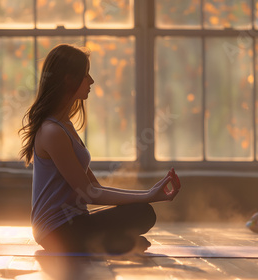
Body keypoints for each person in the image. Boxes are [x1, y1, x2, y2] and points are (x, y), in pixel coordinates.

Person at [19, 44, 181, 254]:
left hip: (76, 222)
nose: (91, 81)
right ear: (69, 78)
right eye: (85, 75)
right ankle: (111, 243)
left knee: (143, 212)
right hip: (55, 232)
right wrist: (148, 195)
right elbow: (89, 194)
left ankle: (111, 242)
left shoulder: (65, 126)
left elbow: (94, 186)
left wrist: (147, 194)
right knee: (143, 213)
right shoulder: (52, 132)